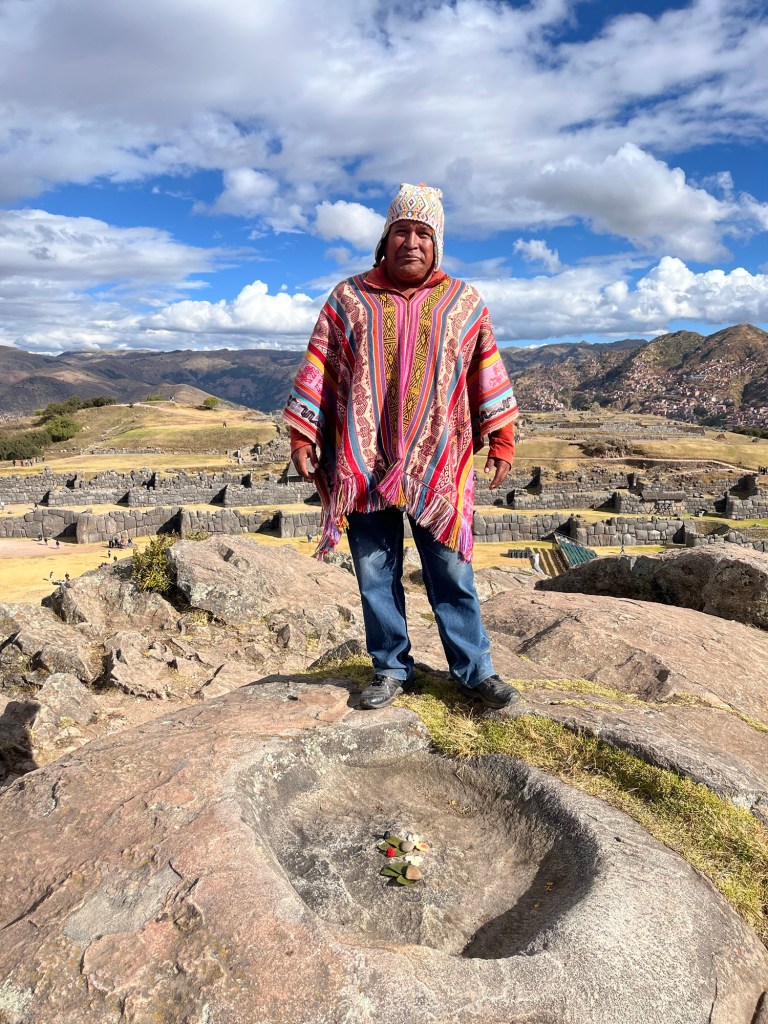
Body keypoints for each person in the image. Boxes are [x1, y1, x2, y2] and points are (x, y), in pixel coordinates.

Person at [284, 183, 520, 711]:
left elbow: (485, 372)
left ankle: (475, 671)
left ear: (437, 243)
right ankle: (391, 667)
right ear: (384, 238)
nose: (411, 243)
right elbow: (321, 369)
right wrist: (303, 435)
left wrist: (502, 441)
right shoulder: (348, 299)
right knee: (375, 570)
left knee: (451, 570)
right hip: (363, 458)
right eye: (401, 231)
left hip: (440, 461)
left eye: (423, 233)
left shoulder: (463, 302)